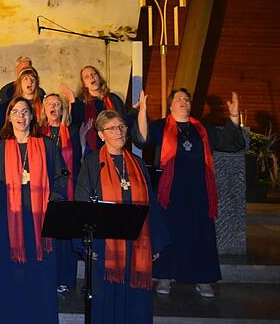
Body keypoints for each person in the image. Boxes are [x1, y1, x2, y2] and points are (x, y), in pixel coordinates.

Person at [134, 89, 244, 298]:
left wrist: (233, 117)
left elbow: (232, 143)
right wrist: (143, 111)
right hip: (169, 193)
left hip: (198, 192)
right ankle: (165, 276)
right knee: (168, 233)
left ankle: (202, 279)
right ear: (170, 105)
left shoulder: (202, 128)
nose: (183, 101)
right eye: (178, 99)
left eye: (186, 99)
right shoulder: (161, 126)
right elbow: (141, 139)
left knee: (200, 235)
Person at [0, 97, 67, 323]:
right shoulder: (0, 148)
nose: (20, 116)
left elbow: (61, 177)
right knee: (10, 281)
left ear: (32, 116)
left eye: (25, 112)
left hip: (39, 222)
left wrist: (53, 200)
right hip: (8, 224)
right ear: (9, 117)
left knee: (40, 280)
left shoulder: (46, 145)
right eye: (15, 112)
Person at [76, 110, 166, 324]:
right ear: (100, 134)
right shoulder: (92, 163)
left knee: (135, 300)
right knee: (106, 300)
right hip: (104, 246)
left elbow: (150, 204)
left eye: (122, 127)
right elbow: (82, 203)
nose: (119, 132)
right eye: (112, 128)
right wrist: (85, 243)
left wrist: (156, 241)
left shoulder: (137, 163)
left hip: (137, 243)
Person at [40, 93, 84, 292]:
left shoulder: (72, 132)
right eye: (49, 104)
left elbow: (79, 160)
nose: (53, 107)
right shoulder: (37, 132)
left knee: (65, 238)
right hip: (43, 190)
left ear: (63, 109)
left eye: (57, 104)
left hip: (67, 190)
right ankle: (46, 276)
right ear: (43, 108)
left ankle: (65, 279)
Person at [62, 65, 126, 154]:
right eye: (87, 77)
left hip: (114, 146)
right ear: (84, 84)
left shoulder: (113, 99)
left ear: (99, 78)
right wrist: (72, 100)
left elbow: (123, 120)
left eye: (94, 74)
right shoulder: (81, 102)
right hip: (91, 149)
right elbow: (75, 124)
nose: (91, 77)